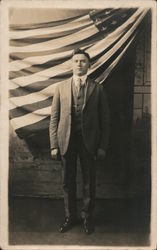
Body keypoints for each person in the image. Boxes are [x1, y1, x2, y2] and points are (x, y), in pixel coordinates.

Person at [49, 48, 110, 234]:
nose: (79, 64)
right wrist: (54, 145)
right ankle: (70, 217)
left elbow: (105, 121)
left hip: (89, 142)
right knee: (67, 181)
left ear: (89, 65)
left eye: (83, 61)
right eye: (76, 61)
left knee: (88, 181)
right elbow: (54, 118)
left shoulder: (98, 88)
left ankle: (87, 217)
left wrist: (102, 146)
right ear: (71, 64)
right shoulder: (60, 88)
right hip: (66, 141)